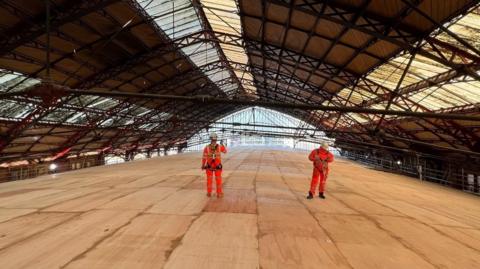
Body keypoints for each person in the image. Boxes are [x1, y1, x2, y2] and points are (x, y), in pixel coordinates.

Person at [202, 132, 227, 198]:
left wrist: (203, 165)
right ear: (216, 139)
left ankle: (209, 193)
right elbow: (225, 152)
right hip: (218, 166)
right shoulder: (219, 147)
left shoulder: (206, 147)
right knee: (218, 180)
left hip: (209, 166)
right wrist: (223, 145)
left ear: (210, 139)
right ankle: (219, 194)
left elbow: (204, 157)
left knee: (209, 180)